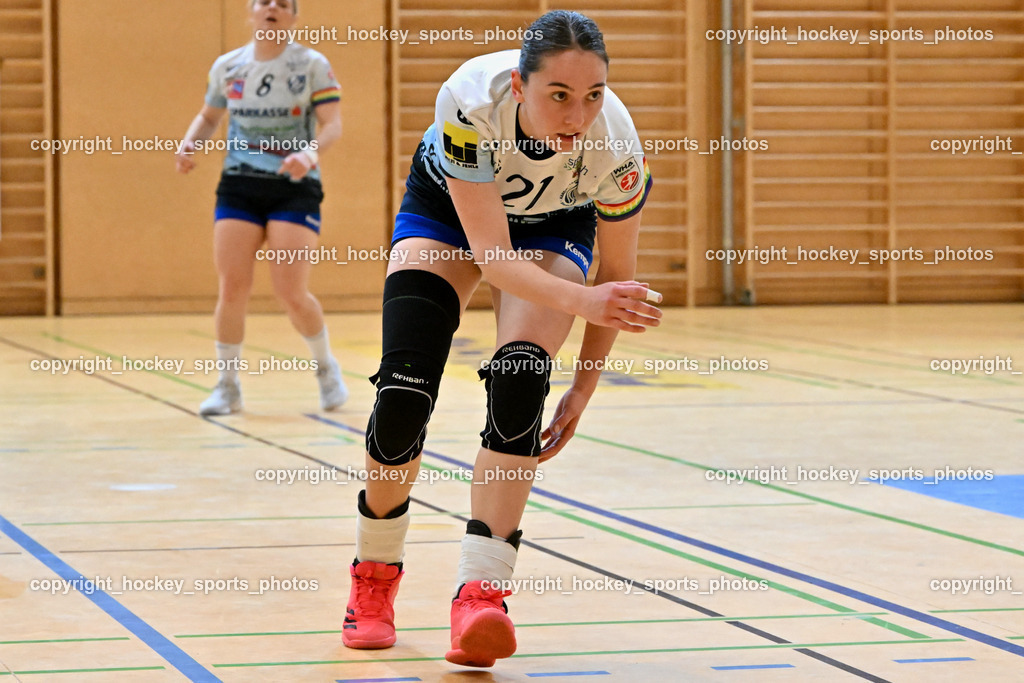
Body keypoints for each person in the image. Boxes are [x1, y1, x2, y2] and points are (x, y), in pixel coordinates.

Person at [342, 10, 661, 668]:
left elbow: (616, 282)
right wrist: (583, 301)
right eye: (560, 96)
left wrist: (582, 385)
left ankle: (481, 591)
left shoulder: (615, 144)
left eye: (594, 94)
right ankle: (374, 575)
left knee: (521, 380)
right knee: (403, 390)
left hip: (552, 224)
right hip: (449, 214)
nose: (579, 114)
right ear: (519, 86)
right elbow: (490, 257)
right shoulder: (468, 100)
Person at [175, 0, 347, 415]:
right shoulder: (229, 66)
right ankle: (227, 386)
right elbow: (209, 115)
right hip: (239, 186)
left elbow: (333, 124)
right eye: (264, 1)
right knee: (232, 287)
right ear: (251, 13)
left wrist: (307, 155)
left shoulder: (310, 64)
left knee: (290, 291)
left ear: (293, 16)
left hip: (294, 187)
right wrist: (190, 142)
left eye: (283, 3)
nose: (272, 7)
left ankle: (326, 368)